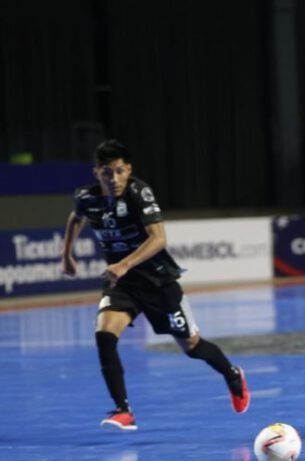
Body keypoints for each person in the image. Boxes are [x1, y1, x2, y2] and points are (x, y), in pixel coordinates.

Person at [60, 140, 249, 431]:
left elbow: (159, 239)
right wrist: (67, 254)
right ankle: (123, 411)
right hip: (121, 284)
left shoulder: (138, 192)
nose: (115, 179)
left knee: (192, 346)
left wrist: (124, 263)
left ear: (129, 169)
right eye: (107, 173)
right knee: (104, 335)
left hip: (157, 281)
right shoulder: (86, 197)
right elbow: (76, 217)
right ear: (96, 172)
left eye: (120, 171)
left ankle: (232, 374)